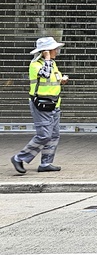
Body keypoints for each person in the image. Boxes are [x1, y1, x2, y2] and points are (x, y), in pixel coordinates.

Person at [11, 37, 70, 174]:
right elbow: (45, 74)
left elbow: (54, 78)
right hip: (41, 104)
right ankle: (19, 158)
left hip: (54, 104)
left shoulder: (52, 64)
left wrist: (62, 80)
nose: (57, 51)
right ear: (45, 52)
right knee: (44, 135)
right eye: (53, 49)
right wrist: (48, 59)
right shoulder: (35, 65)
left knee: (54, 135)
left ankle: (46, 163)